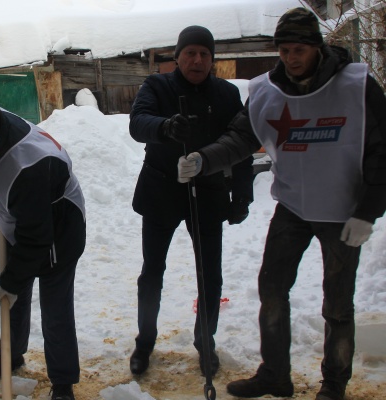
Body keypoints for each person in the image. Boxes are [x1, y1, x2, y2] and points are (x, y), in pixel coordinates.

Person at [177, 8, 386, 400]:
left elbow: (382, 151)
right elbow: (241, 138)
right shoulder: (267, 91)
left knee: (337, 305)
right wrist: (204, 159)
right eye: (285, 50)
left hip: (342, 212)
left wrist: (368, 211)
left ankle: (334, 384)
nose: (291, 58)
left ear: (317, 47)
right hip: (292, 207)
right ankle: (274, 374)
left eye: (299, 50)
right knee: (271, 290)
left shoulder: (356, 85)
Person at [128, 25, 255, 378]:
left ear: (212, 59)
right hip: (161, 190)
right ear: (177, 56)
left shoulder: (226, 94)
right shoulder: (157, 86)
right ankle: (144, 341)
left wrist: (242, 193)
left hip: (208, 192)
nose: (197, 60)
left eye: (204, 54)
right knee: (152, 272)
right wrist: (165, 127)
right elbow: (138, 123)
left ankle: (205, 340)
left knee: (210, 275)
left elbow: (242, 143)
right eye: (190, 53)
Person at [0, 93, 86, 400]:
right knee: (13, 299)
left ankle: (63, 381)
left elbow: (36, 238)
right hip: (21, 219)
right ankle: (10, 355)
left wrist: (11, 282)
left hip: (58, 227)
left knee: (54, 309)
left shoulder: (29, 165)